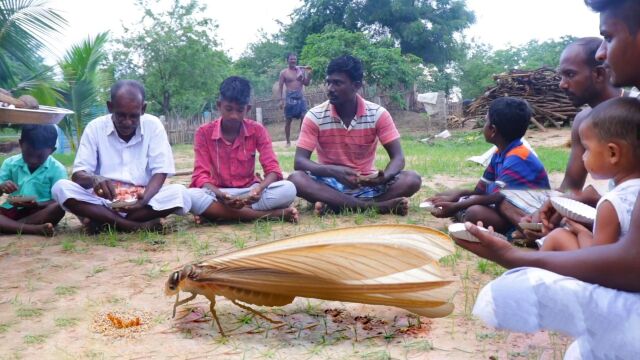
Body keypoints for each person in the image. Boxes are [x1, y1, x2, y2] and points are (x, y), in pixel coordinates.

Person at [452, 1, 640, 357]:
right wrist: (559, 206)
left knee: (513, 290)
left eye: (609, 37)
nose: (603, 52)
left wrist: (512, 257)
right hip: (601, 223)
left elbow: (631, 263)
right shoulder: (585, 120)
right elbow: (571, 188)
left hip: (611, 233)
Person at [498, 37, 623, 234]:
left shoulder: (632, 114)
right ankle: (538, 228)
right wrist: (552, 207)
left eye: (570, 75)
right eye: (561, 76)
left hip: (622, 209)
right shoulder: (583, 120)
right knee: (506, 202)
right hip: (602, 205)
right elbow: (571, 186)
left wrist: (586, 199)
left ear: (598, 74)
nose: (562, 85)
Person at [288, 55, 421, 216]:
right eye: (328, 82)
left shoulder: (378, 114)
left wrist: (384, 177)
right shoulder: (314, 116)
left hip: (367, 184)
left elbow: (398, 158)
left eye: (337, 83)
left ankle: (338, 205)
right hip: (329, 183)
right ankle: (375, 206)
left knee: (412, 179)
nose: (330, 88)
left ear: (356, 85)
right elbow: (300, 161)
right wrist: (334, 171)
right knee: (296, 179)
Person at [52, 80, 191, 233]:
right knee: (60, 188)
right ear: (110, 107)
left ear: (143, 109)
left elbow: (161, 171)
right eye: (121, 115)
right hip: (103, 201)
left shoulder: (153, 125)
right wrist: (95, 179)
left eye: (133, 116)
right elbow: (78, 175)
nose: (127, 122)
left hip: (141, 201)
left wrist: (143, 200)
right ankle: (131, 226)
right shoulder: (94, 127)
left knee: (180, 193)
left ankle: (103, 221)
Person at [429, 97, 550, 234]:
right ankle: (463, 214)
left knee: (474, 212)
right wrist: (458, 195)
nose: (484, 125)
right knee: (446, 195)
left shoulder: (518, 157)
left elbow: (496, 197)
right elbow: (481, 191)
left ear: (493, 129)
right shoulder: (500, 153)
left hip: (527, 213)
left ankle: (523, 232)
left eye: (486, 121)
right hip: (502, 205)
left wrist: (456, 205)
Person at [188, 76, 298, 223]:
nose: (234, 115)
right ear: (219, 106)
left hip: (250, 193)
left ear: (248, 109)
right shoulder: (203, 132)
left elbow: (273, 170)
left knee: (288, 189)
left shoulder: (257, 130)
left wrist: (259, 189)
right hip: (218, 193)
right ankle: (270, 215)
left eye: (240, 110)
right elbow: (200, 176)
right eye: (228, 109)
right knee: (190, 195)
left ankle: (216, 213)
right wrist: (221, 195)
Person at [541, 97, 640, 251]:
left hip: (615, 273)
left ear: (612, 153)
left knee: (558, 236)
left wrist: (582, 232)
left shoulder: (611, 204)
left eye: (587, 149)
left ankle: (535, 273)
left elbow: (599, 260)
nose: (583, 156)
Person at [0, 125, 66, 236]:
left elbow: (59, 200)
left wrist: (38, 204)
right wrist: (2, 187)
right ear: (21, 144)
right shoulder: (10, 164)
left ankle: (9, 227)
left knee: (59, 208)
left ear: (52, 151)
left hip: (39, 212)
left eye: (40, 156)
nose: (33, 160)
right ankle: (33, 229)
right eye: (29, 154)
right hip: (11, 209)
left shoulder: (57, 169)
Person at [278, 52, 311, 147]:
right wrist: (281, 100)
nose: (293, 61)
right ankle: (288, 141)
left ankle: (301, 139)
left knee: (304, 118)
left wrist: (309, 74)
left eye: (294, 59)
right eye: (291, 59)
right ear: (287, 60)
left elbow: (306, 83)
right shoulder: (284, 72)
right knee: (288, 121)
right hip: (290, 98)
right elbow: (280, 86)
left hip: (300, 97)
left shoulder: (300, 71)